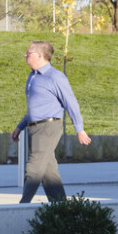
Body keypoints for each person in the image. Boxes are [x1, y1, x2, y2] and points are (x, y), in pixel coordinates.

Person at [13, 40, 90, 203]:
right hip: (34, 128)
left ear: (40, 55)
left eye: (28, 53)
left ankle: (22, 206)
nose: (25, 56)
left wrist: (79, 129)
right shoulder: (33, 76)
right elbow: (36, 106)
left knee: (34, 167)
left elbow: (71, 103)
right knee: (49, 172)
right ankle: (62, 208)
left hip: (49, 126)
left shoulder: (55, 77)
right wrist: (20, 126)